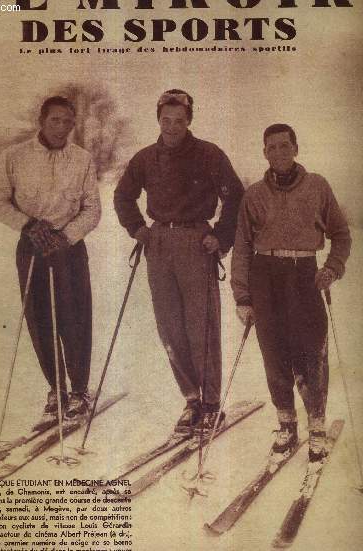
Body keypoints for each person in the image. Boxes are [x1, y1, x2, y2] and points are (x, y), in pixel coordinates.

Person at [114, 89, 244, 434]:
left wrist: (222, 235)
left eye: (179, 121)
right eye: (166, 119)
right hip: (159, 243)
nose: (172, 126)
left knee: (200, 326)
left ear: (189, 121)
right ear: (158, 118)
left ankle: (212, 403)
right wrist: (138, 228)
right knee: (169, 326)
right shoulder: (145, 158)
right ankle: (191, 399)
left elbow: (235, 197)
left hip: (196, 242)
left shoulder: (209, 154)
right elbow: (123, 195)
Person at [231, 123, 351, 462]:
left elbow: (341, 236)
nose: (279, 153)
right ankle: (286, 423)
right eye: (272, 147)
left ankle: (316, 425)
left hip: (304, 275)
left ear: (295, 148)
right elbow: (241, 246)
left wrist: (332, 268)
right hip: (265, 275)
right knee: (274, 353)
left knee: (311, 352)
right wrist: (242, 295)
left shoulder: (317, 186)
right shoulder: (253, 194)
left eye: (285, 146)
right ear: (264, 152)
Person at [0, 96, 101, 427]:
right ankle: (57, 389)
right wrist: (27, 225)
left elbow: (92, 208)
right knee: (40, 319)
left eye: (68, 121)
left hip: (68, 247)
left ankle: (79, 391)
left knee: (74, 317)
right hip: (32, 245)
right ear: (42, 120)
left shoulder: (82, 159)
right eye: (55, 120)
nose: (62, 127)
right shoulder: (15, 156)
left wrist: (67, 236)